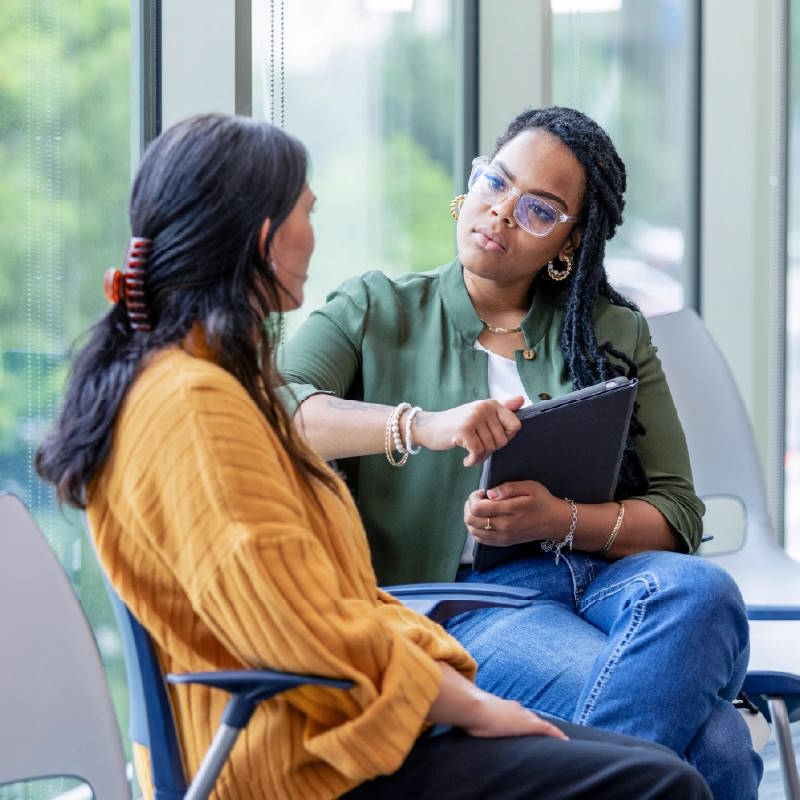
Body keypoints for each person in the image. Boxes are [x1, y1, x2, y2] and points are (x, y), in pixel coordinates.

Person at [33, 114, 710, 800]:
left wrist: (450, 683)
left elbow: (314, 606)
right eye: (308, 212)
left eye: (537, 209)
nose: (315, 235)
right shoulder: (195, 403)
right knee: (671, 773)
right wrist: (467, 701)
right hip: (307, 750)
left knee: (690, 703)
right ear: (268, 237)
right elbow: (294, 625)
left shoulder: (205, 388)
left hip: (348, 714)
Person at [277, 106, 762, 799]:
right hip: (464, 607)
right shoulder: (374, 309)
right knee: (715, 739)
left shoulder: (611, 330)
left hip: (605, 586)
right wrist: (425, 426)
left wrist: (559, 519)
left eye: (539, 210)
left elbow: (677, 513)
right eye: (495, 183)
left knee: (708, 591)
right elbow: (276, 413)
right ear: (468, 185)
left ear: (570, 242)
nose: (502, 213)